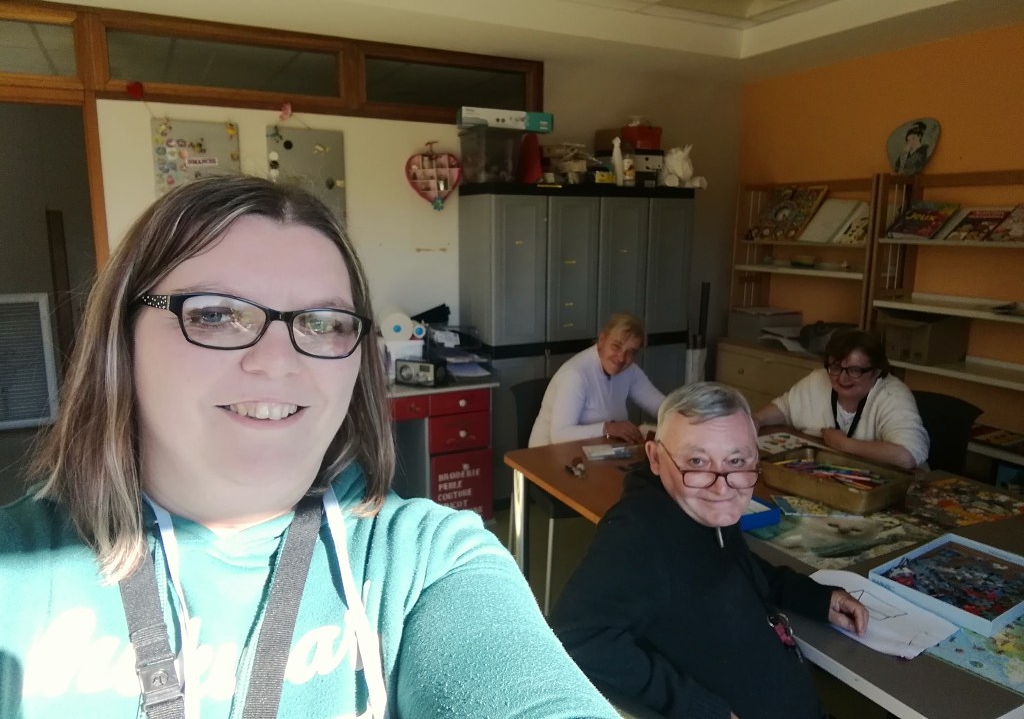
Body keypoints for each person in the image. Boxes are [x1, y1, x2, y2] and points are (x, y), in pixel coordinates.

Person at [0, 175, 620, 719]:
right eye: (215, 314)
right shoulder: (18, 575)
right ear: (122, 339)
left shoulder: (427, 563)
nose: (278, 361)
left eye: (323, 324)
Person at [550, 382, 868, 719]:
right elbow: (576, 637)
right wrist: (699, 709)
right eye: (697, 461)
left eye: (736, 460)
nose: (721, 486)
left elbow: (737, 565)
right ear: (656, 458)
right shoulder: (638, 535)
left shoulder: (704, 509)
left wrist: (814, 597)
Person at [752, 329, 928, 470]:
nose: (842, 378)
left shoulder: (893, 395)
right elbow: (784, 408)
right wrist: (757, 419)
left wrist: (845, 445)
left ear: (876, 371)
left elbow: (907, 456)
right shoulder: (818, 379)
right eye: (836, 368)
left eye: (854, 371)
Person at [529, 313, 665, 446]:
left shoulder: (630, 371)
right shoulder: (575, 375)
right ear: (602, 340)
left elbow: (661, 407)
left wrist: (676, 417)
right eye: (616, 346)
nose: (621, 358)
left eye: (631, 352)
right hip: (547, 453)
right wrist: (607, 428)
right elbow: (559, 435)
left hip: (596, 451)